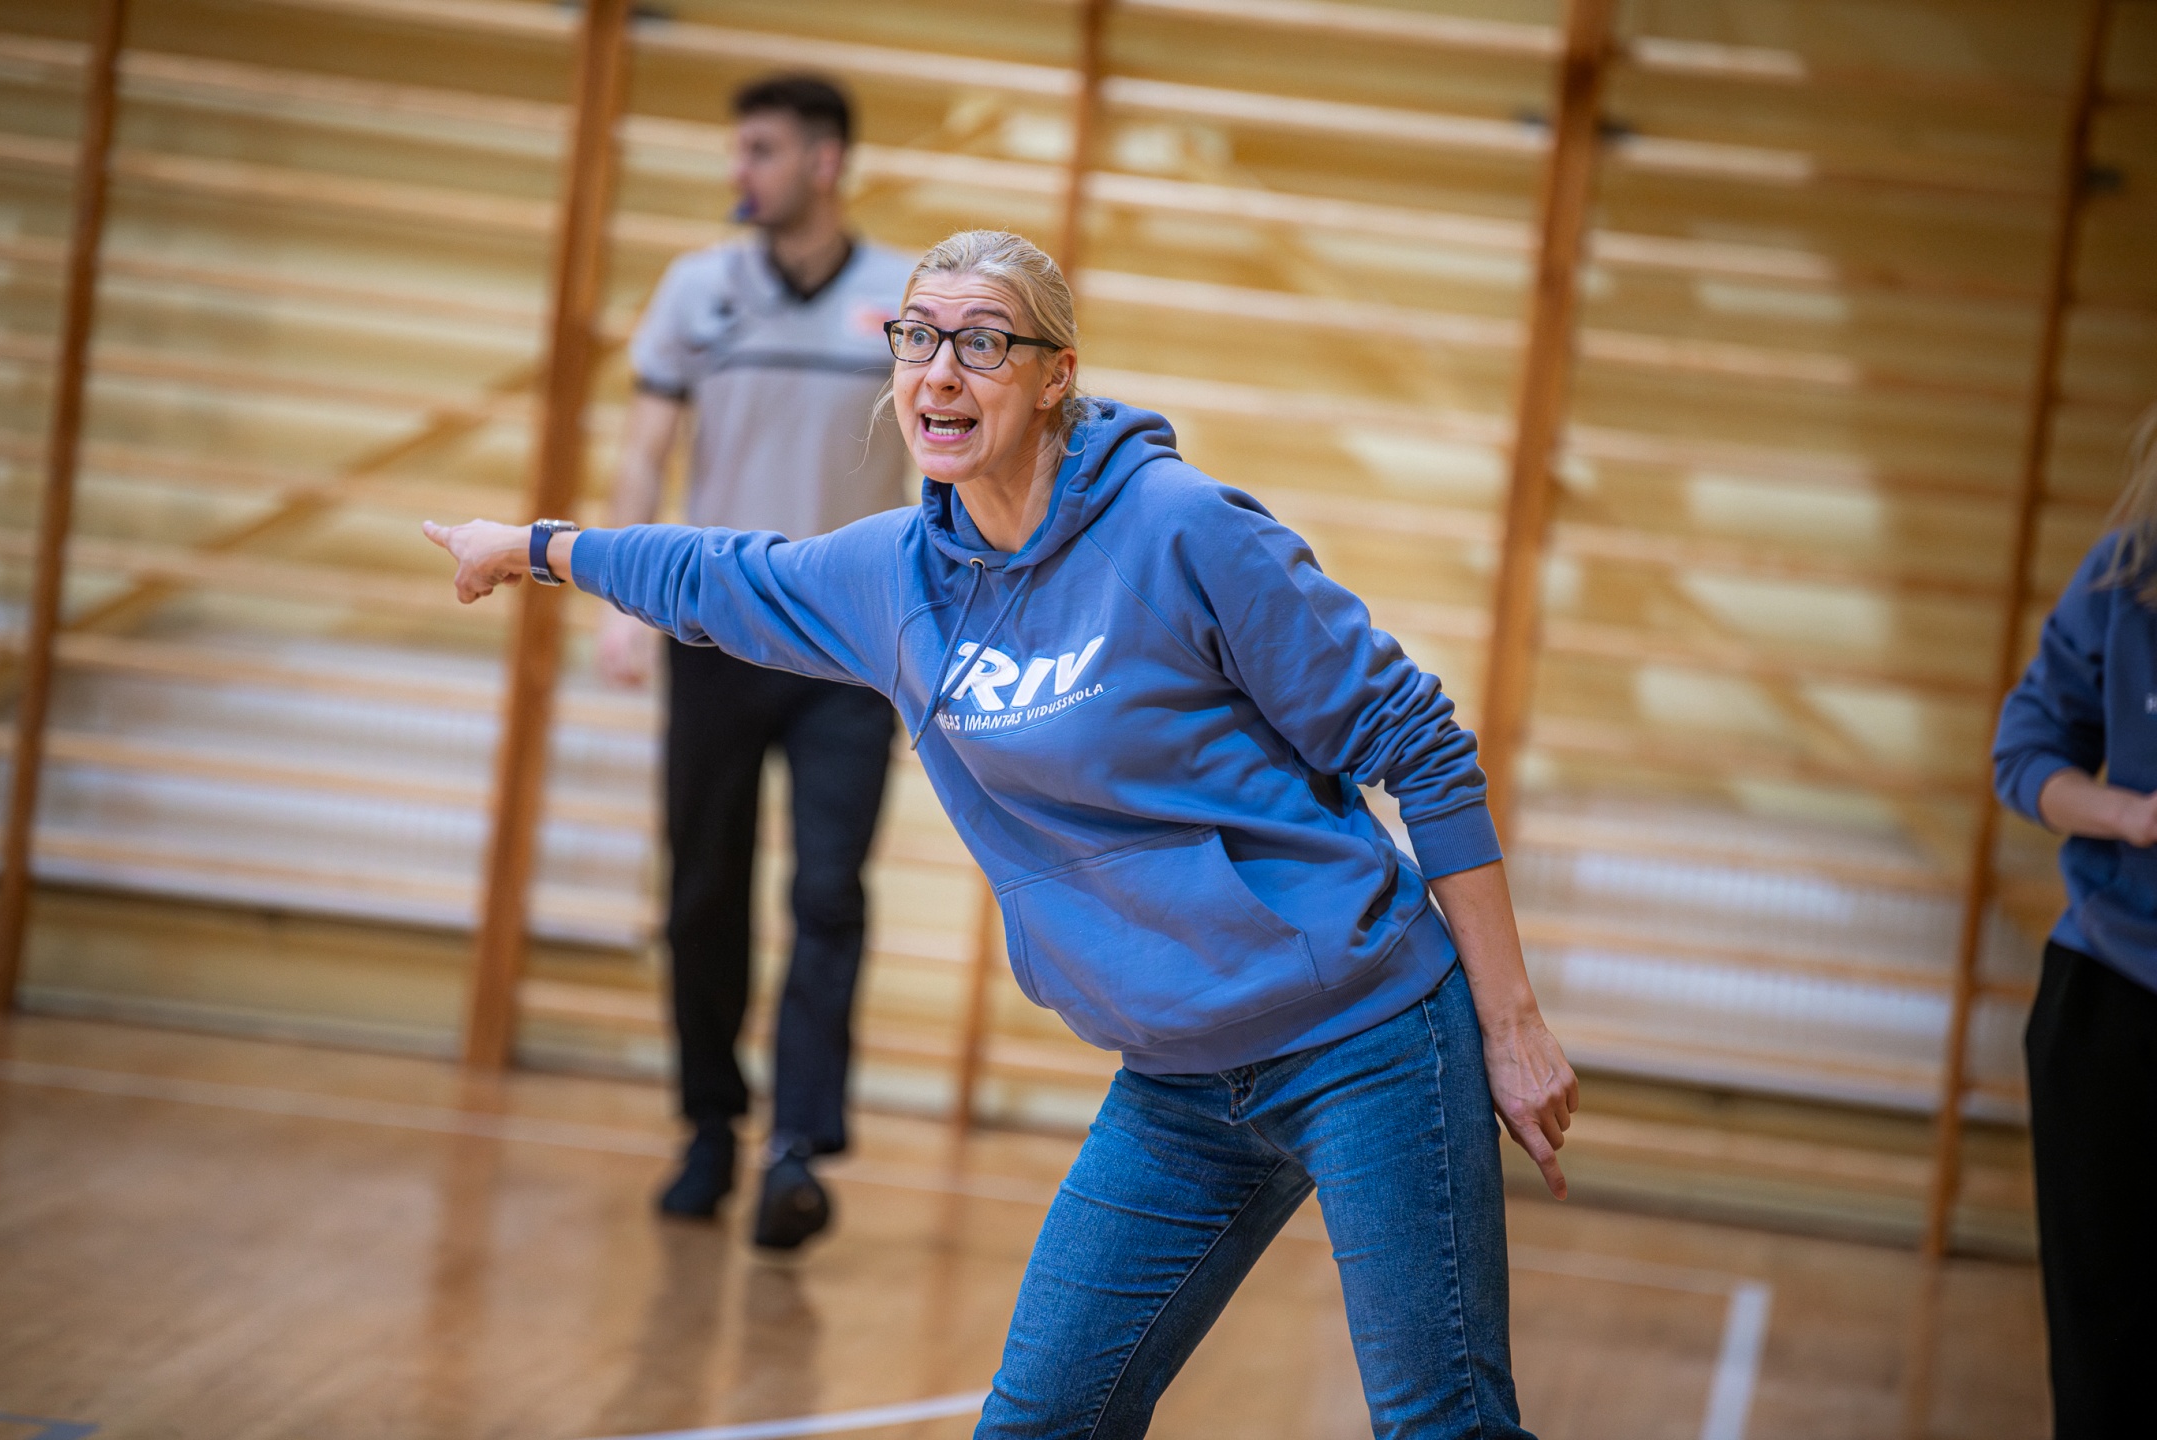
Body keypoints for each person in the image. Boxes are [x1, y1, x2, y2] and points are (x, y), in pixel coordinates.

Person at [428, 229, 1577, 1438]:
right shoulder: (895, 579)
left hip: (1365, 1036)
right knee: (1037, 1426)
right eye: (917, 339)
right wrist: (535, 549)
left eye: (982, 345)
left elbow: (1419, 743)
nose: (938, 373)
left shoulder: (1180, 529)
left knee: (1442, 1425)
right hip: (1176, 1078)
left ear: (1054, 376)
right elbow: (719, 574)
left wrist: (1510, 1025)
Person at [602, 74, 913, 1246]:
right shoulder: (698, 289)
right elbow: (645, 453)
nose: (740, 172)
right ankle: (708, 1127)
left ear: (825, 163)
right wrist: (623, 598)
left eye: (762, 152)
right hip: (713, 633)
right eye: (739, 151)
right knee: (702, 890)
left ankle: (796, 1149)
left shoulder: (903, 301)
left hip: (849, 647)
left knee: (829, 893)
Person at [1993, 405, 2157, 1440]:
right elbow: (2025, 756)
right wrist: (2131, 816)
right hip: (2110, 1005)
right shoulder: (2123, 578)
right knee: (2105, 1375)